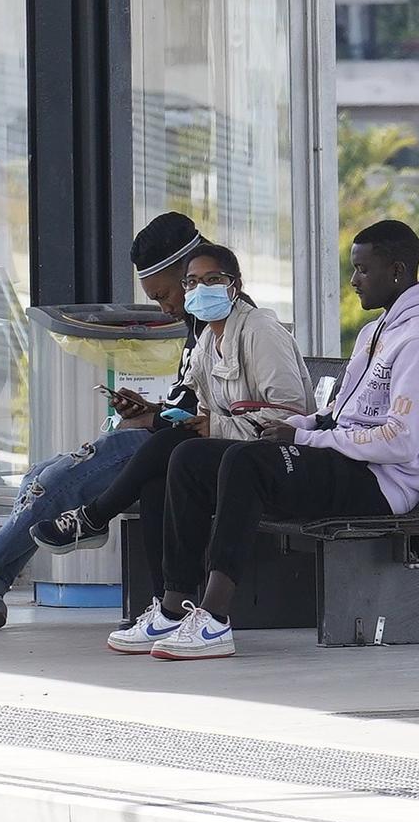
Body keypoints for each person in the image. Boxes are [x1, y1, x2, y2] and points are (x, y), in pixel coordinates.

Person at [142, 220, 419, 660]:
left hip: (383, 484)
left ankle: (214, 620)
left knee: (246, 462)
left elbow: (400, 442)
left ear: (396, 272)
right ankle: (174, 606)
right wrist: (303, 428)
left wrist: (306, 441)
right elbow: (339, 414)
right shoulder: (378, 332)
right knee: (191, 456)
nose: (352, 281)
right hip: (346, 460)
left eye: (362, 270)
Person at [0, 212, 205, 631]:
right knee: (39, 473)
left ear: (189, 272)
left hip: (182, 452)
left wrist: (157, 422)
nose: (164, 307)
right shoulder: (198, 323)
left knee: (57, 481)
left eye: (165, 294)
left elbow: (232, 411)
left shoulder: (233, 323)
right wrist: (148, 411)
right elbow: (192, 399)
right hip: (164, 438)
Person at [29, 243, 312, 654]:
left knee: (179, 448)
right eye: (192, 283)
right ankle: (171, 608)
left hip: (274, 460)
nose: (200, 290)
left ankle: (94, 517)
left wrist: (212, 426)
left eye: (212, 280)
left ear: (235, 286)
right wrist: (151, 411)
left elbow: (290, 418)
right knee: (157, 479)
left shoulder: (261, 331)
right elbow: (189, 404)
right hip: (230, 455)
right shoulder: (206, 341)